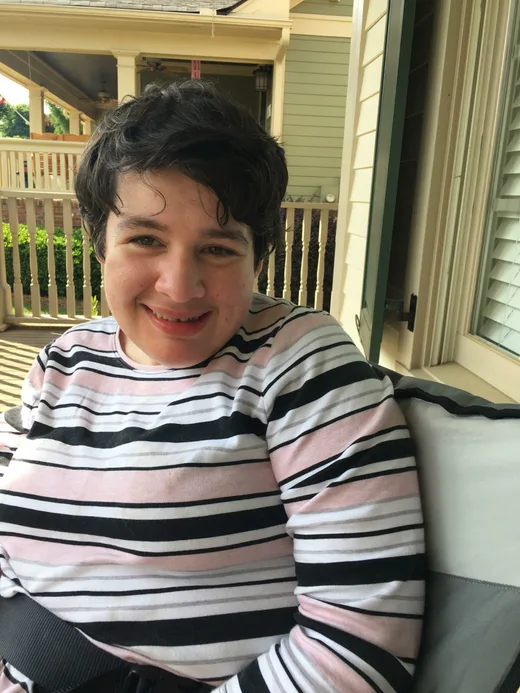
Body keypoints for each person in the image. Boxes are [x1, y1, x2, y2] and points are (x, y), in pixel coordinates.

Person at [0, 81, 425, 693]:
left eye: (219, 248)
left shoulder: (299, 365)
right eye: (146, 238)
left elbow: (359, 651)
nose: (180, 285)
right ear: (100, 243)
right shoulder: (68, 356)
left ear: (258, 256)